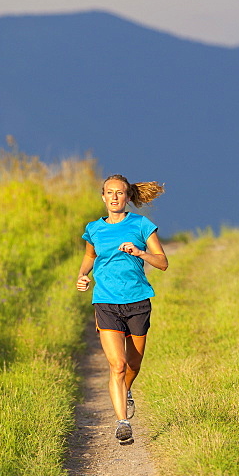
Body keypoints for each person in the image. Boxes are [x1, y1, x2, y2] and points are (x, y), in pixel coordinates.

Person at [76, 174, 168, 445]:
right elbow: (89, 256)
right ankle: (122, 422)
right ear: (103, 196)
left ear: (128, 197)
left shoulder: (141, 225)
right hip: (105, 301)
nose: (115, 197)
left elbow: (162, 262)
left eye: (120, 193)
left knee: (133, 364)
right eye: (110, 192)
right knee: (117, 365)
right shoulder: (94, 229)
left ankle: (126, 389)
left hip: (138, 301)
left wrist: (140, 253)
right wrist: (82, 275)